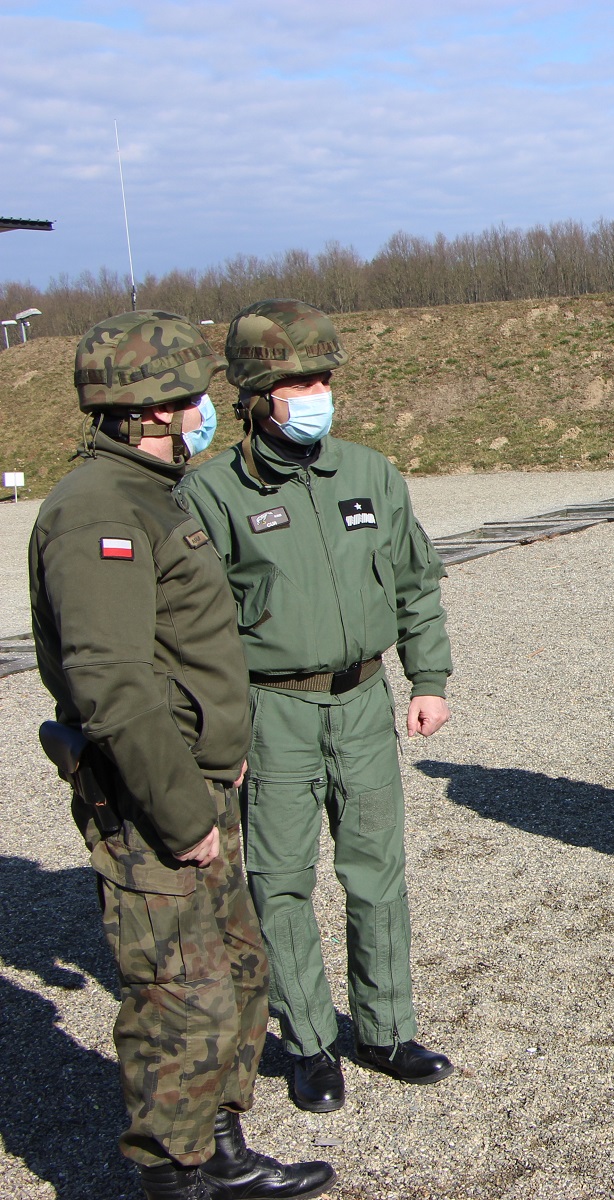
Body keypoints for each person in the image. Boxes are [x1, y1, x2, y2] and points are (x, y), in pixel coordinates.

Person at [30, 311, 335, 1199]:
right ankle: (176, 1175)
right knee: (179, 996)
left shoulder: (152, 492)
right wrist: (181, 812)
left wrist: (221, 758)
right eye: (190, 396)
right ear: (143, 413)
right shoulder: (97, 510)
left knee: (238, 973)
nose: (207, 409)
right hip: (156, 801)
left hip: (201, 784)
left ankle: (221, 1147)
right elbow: (112, 685)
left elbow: (185, 649)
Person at [178, 299, 454, 1114]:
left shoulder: (370, 474)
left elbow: (415, 583)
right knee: (282, 881)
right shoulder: (212, 495)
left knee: (376, 874)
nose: (315, 393)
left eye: (323, 378)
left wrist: (428, 678)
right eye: (297, 381)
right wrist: (217, 742)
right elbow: (197, 633)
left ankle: (386, 1028)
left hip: (363, 702)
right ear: (257, 395)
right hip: (274, 714)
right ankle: (306, 1042)